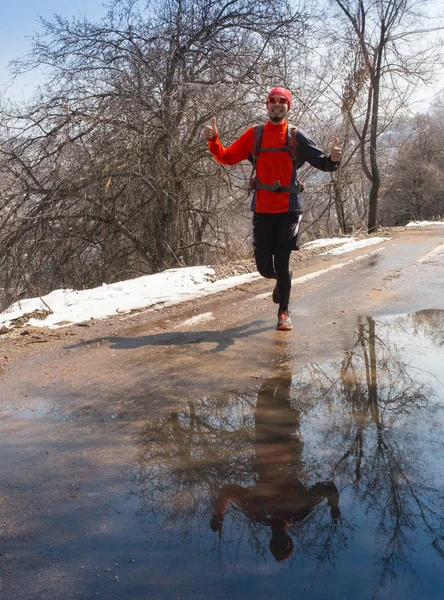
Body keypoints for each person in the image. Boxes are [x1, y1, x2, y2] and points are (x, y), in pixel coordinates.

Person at [204, 87, 342, 331]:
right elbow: (226, 157)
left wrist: (333, 160)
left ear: (288, 107)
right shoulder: (255, 135)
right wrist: (213, 141)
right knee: (264, 267)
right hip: (263, 209)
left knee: (283, 259)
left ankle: (283, 313)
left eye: (282, 101)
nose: (277, 105)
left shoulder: (295, 135)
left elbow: (323, 163)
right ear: (266, 106)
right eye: (272, 101)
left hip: (289, 209)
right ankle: (281, 279)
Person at [210, 372, 340, 562]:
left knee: (266, 395)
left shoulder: (258, 512)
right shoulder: (298, 512)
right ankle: (283, 361)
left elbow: (228, 490)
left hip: (267, 446)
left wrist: (218, 514)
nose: (279, 541)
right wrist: (333, 505)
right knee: (279, 398)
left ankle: (279, 360)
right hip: (287, 445)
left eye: (276, 545)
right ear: (289, 540)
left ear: (271, 541)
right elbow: (327, 487)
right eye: (283, 544)